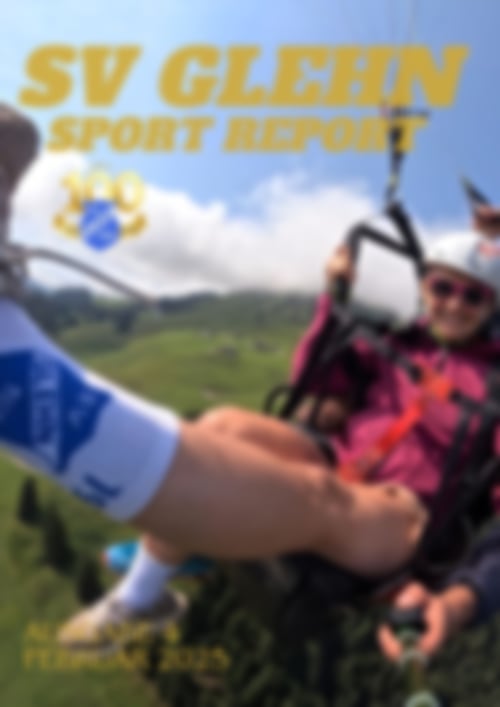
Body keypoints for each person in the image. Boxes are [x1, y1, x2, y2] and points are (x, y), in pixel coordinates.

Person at [58, 211, 500, 651]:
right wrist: (336, 294)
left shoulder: (494, 385)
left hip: (401, 513)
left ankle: (165, 569)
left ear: (492, 306)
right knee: (221, 427)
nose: (455, 304)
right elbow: (314, 377)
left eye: (473, 296)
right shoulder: (400, 343)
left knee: (317, 491)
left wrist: (463, 600)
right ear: (424, 288)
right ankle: (146, 591)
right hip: (338, 456)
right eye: (443, 288)